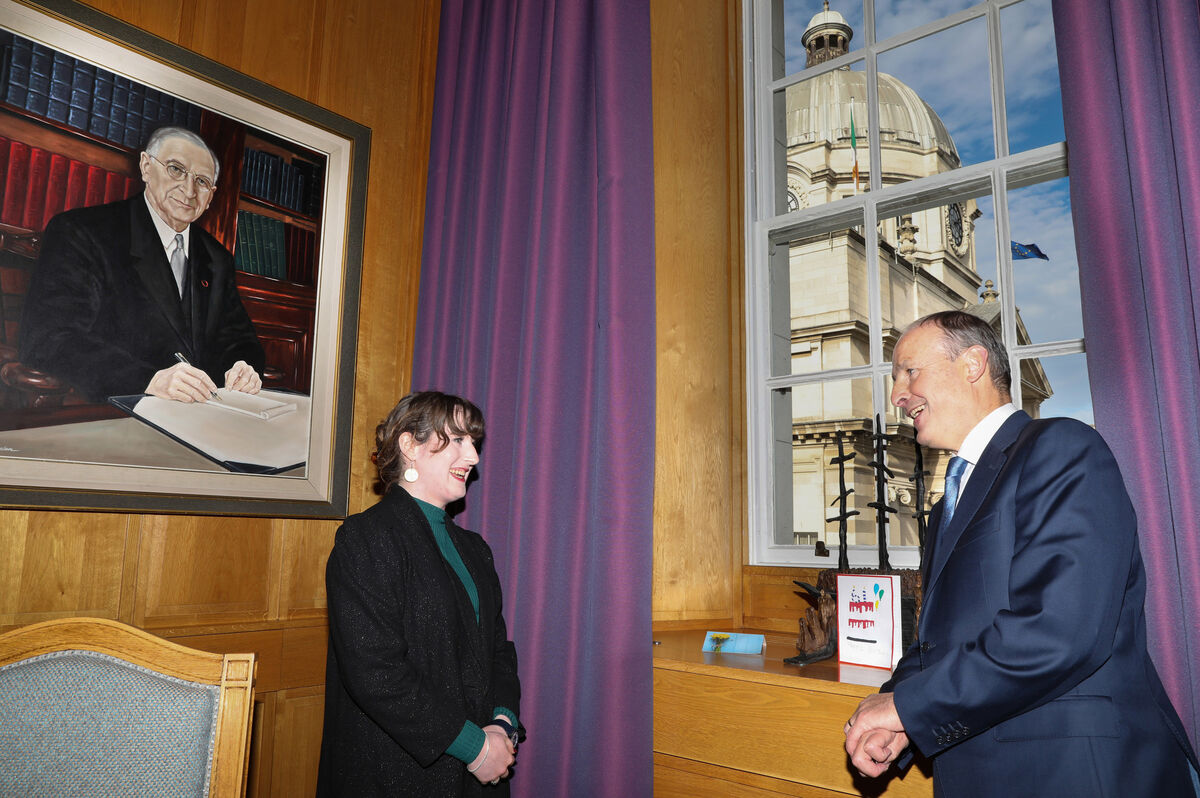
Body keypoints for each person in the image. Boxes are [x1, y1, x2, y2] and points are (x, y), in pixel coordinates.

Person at [844, 310, 1199, 797]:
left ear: (972, 364)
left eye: (909, 371)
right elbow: (941, 644)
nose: (897, 395)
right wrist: (898, 713)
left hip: (1076, 775)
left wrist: (909, 708)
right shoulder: (947, 503)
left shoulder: (1062, 449)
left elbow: (1058, 632)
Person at [317, 391, 522, 796]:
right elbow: (375, 674)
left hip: (479, 770)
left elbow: (498, 651)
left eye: (474, 443)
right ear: (410, 444)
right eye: (459, 440)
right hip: (395, 774)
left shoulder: (475, 549)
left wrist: (501, 725)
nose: (474, 457)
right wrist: (474, 748)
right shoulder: (366, 539)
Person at [18, 126, 264, 403]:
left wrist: (243, 367)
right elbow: (49, 339)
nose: (189, 190)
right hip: (112, 409)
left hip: (201, 414)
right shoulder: (82, 232)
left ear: (211, 197)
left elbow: (240, 339)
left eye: (202, 182)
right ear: (146, 167)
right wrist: (149, 379)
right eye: (176, 169)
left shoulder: (217, 258)